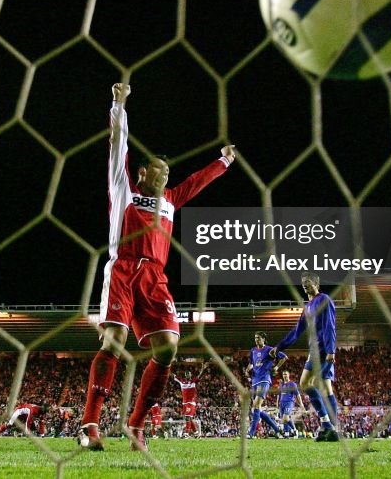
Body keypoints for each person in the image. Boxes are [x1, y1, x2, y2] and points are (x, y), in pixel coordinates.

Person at [77, 83, 235, 452]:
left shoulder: (171, 201)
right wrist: (119, 103)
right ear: (145, 171)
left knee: (168, 348)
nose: (165, 176)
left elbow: (197, 181)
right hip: (123, 269)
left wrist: (224, 161)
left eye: (168, 172)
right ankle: (89, 425)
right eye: (159, 170)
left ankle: (135, 426)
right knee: (114, 340)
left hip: (155, 278)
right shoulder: (124, 189)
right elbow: (118, 146)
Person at [270, 272, 339, 442]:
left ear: (317, 283)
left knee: (313, 384)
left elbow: (330, 325)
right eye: (302, 282)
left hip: (322, 348)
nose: (304, 285)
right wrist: (280, 346)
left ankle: (330, 427)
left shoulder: (324, 300)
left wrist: (331, 350)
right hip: (314, 349)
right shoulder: (308, 306)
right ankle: (329, 426)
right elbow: (297, 330)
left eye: (308, 282)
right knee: (316, 386)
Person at [247, 331, 285, 438]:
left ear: (263, 338)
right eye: (255, 338)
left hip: (264, 379)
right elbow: (251, 363)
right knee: (255, 409)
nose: (256, 340)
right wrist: (247, 370)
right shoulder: (253, 350)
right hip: (255, 380)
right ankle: (277, 429)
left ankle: (251, 433)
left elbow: (283, 357)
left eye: (258, 338)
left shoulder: (269, 350)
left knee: (256, 406)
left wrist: (276, 367)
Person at [174, 362, 208, 437]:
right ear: (185, 375)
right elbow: (173, 376)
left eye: (189, 374)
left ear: (191, 375)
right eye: (186, 374)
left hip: (191, 402)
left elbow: (199, 375)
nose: (188, 375)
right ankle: (196, 433)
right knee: (189, 418)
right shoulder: (181, 381)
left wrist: (203, 368)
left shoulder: (193, 381)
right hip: (184, 403)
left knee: (187, 417)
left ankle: (186, 433)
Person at [277, 369, 305, 437]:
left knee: (285, 418)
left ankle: (294, 429)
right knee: (284, 419)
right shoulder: (282, 384)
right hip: (281, 403)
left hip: (289, 402)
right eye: (283, 374)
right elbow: (279, 394)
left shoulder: (292, 384)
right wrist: (277, 402)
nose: (285, 376)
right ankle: (287, 433)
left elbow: (297, 394)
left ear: (288, 375)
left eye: (286, 374)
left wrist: (301, 404)